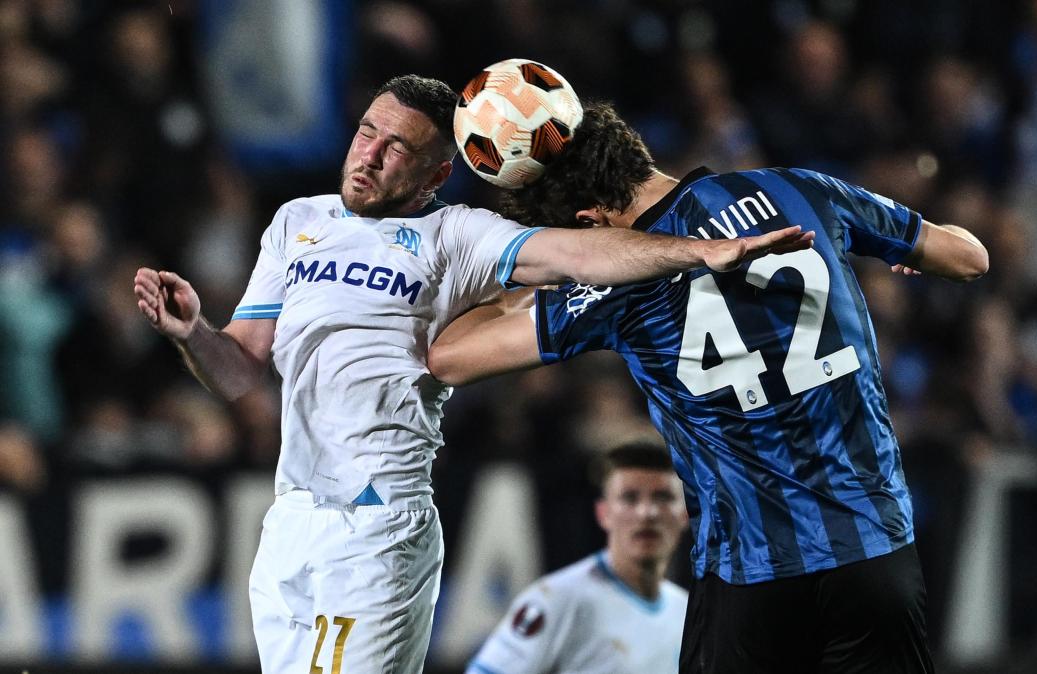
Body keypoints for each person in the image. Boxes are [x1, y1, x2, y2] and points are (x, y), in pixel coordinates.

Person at [131, 76, 808, 674]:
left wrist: (700, 251)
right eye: (368, 131)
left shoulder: (457, 236)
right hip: (291, 523)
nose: (368, 155)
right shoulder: (296, 224)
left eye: (397, 147)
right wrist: (193, 334)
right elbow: (241, 372)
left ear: (435, 176)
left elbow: (576, 253)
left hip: (378, 525)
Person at [428, 102, 990, 673]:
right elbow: (968, 257)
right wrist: (913, 254)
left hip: (752, 577)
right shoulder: (799, 190)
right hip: (876, 557)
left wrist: (531, 273)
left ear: (590, 221)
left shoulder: (610, 286)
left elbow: (450, 356)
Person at [467, 441, 689, 674]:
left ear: (685, 515)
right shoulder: (558, 599)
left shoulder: (687, 613)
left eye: (663, 498)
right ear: (603, 514)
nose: (647, 513)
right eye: (630, 498)